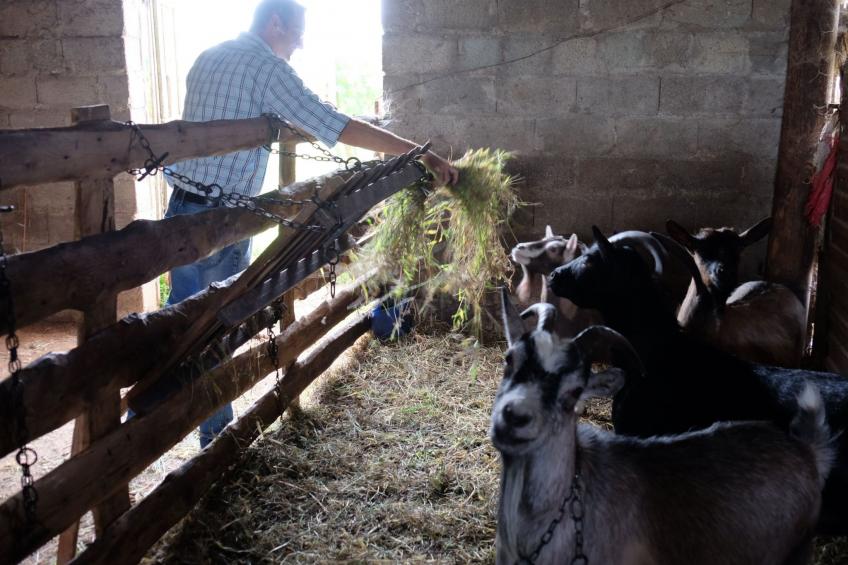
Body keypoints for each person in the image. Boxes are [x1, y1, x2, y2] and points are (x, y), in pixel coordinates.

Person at [164, 0, 459, 448]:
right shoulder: (265, 67)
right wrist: (418, 153)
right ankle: (157, 436)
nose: (300, 43)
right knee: (204, 339)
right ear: (275, 21)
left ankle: (205, 444)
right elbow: (335, 125)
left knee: (183, 331)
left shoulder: (210, 56)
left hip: (185, 210)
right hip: (221, 220)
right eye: (297, 31)